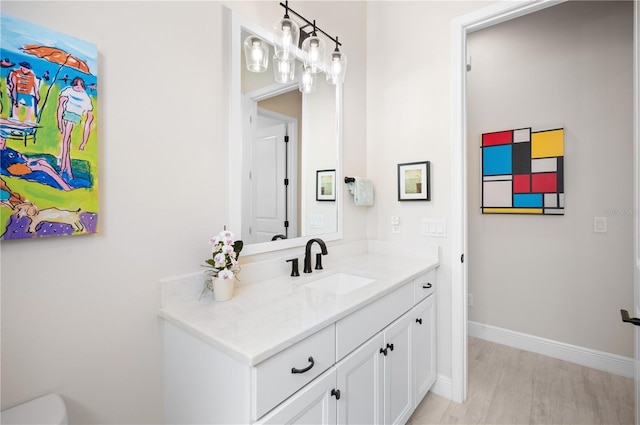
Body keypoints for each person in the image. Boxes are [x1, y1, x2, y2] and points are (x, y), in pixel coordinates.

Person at [56, 77, 94, 180]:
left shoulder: (85, 97)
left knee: (66, 141)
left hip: (75, 116)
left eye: (80, 85)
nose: (78, 87)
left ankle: (63, 168)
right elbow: (60, 106)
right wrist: (59, 122)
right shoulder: (68, 90)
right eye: (76, 85)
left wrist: (84, 142)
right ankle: (67, 170)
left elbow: (90, 118)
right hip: (67, 114)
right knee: (66, 141)